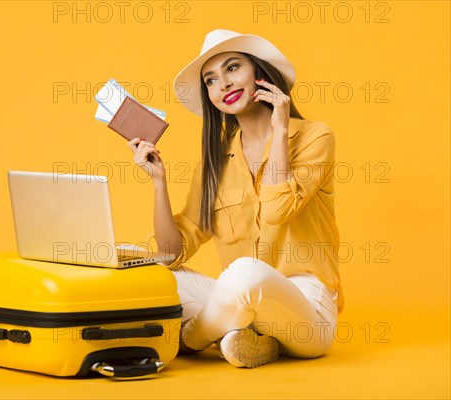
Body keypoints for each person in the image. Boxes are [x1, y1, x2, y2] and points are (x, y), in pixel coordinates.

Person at [127, 29, 344, 368]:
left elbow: (277, 209)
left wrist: (281, 129)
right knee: (144, 268)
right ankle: (241, 339)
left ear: (260, 72)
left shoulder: (315, 137)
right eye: (211, 80)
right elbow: (171, 253)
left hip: (306, 310)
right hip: (242, 301)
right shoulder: (215, 162)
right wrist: (158, 183)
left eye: (232, 68)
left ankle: (193, 338)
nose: (223, 85)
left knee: (244, 273)